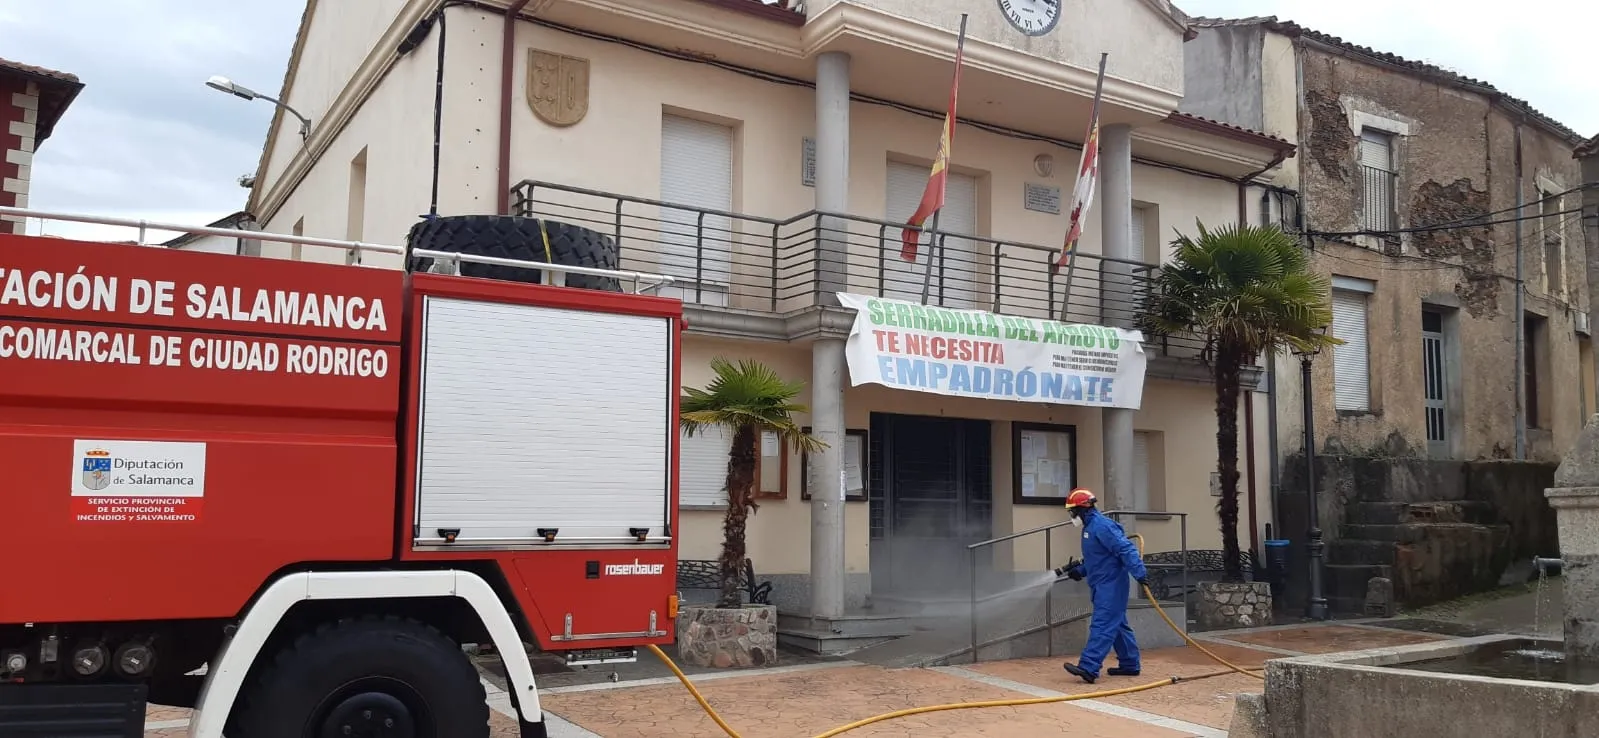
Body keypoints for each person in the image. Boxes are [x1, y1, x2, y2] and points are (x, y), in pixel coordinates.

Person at [1055, 487, 1148, 684]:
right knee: (1118, 625)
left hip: (1111, 586)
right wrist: (1081, 571)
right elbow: (1099, 558)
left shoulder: (1103, 526)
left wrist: (1140, 573)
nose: (1072, 516)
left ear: (1083, 509)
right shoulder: (1089, 528)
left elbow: (1126, 549)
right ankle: (1130, 664)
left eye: (1072, 511)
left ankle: (1089, 667)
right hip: (1100, 584)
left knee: (1103, 624)